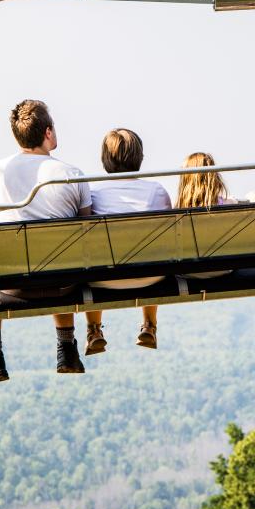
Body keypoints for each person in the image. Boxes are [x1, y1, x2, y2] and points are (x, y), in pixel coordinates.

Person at [0, 99, 92, 384]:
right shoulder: (71, 174)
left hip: (13, 283)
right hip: (64, 282)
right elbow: (87, 227)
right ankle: (66, 348)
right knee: (63, 254)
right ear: (48, 133)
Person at [83, 128, 171, 353]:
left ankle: (93, 329)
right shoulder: (156, 190)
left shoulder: (92, 192)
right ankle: (150, 325)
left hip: (101, 278)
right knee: (151, 251)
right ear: (139, 157)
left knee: (92, 254)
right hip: (151, 277)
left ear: (104, 159)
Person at [175, 152, 235, 280]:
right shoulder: (228, 204)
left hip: (186, 271)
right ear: (214, 176)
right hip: (224, 268)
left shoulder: (177, 212)